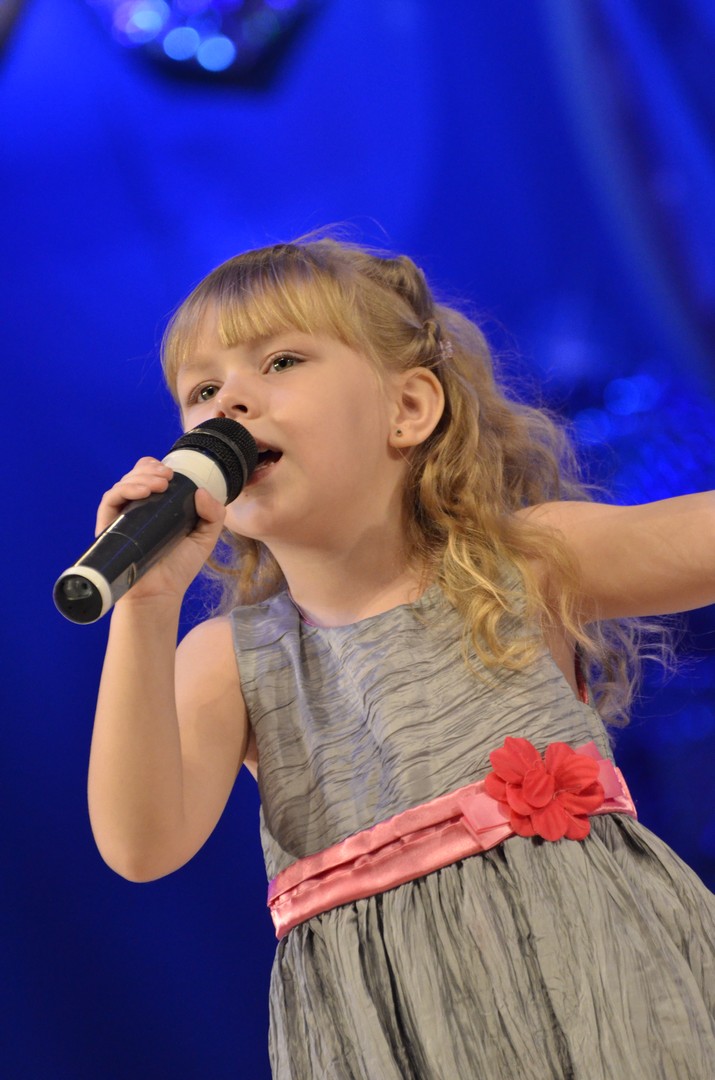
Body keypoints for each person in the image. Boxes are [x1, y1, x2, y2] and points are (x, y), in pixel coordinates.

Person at [88, 237, 715, 1079]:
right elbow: (139, 845)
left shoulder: (520, 564)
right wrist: (144, 605)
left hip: (602, 995)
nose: (228, 399)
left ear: (408, 409)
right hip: (386, 1038)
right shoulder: (231, 659)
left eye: (279, 361)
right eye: (201, 390)